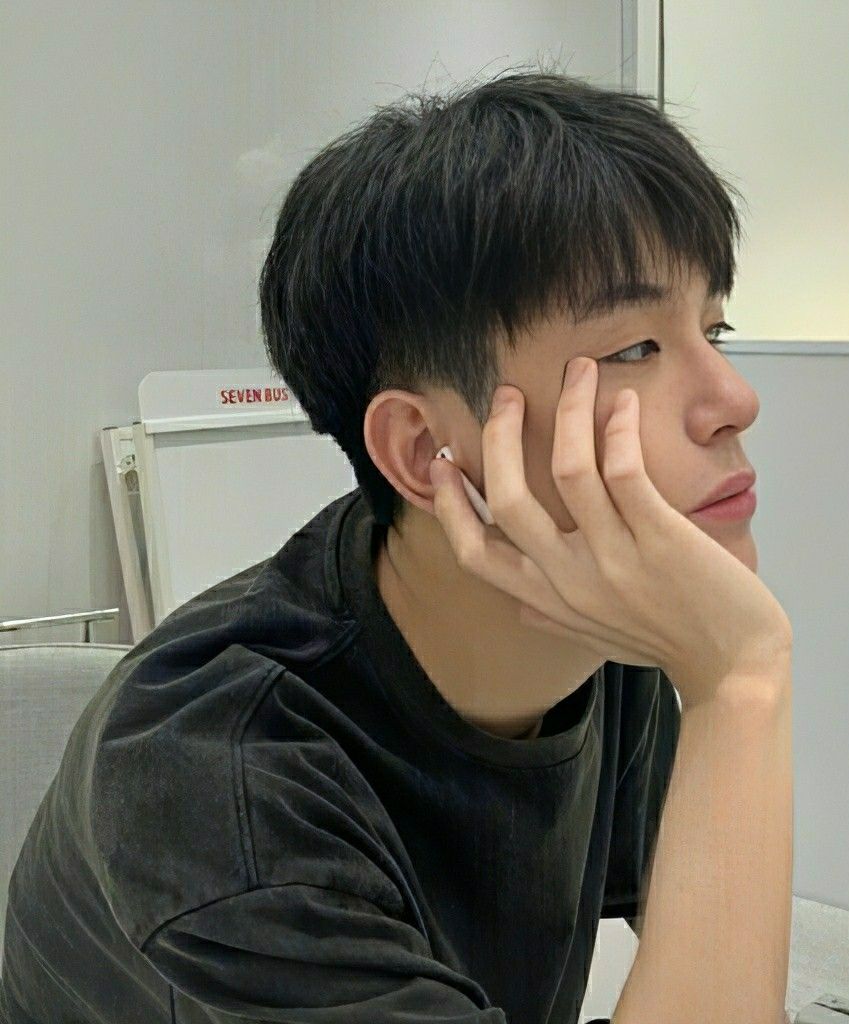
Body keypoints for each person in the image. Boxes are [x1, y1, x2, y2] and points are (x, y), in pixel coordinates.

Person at [0, 67, 791, 1023]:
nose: (735, 400)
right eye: (634, 349)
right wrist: (739, 686)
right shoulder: (219, 778)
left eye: (714, 328)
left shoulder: (602, 620)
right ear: (424, 450)